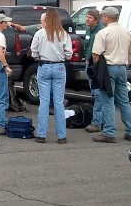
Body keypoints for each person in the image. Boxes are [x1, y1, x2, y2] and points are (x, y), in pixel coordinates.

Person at [91, 6, 131, 143]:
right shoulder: (127, 33)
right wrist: (125, 64)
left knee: (107, 100)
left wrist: (97, 70)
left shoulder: (103, 33)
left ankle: (109, 132)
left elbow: (95, 55)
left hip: (107, 68)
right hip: (122, 67)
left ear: (106, 17)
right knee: (124, 100)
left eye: (103, 16)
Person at [30, 9, 73, 144]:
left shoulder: (40, 33)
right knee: (59, 102)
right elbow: (69, 54)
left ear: (46, 20)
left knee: (44, 101)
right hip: (59, 67)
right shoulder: (63, 34)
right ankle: (61, 136)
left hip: (44, 66)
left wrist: (39, 57)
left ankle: (41, 134)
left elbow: (33, 52)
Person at [82, 9, 104, 133]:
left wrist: (94, 64)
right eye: (87, 17)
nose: (87, 19)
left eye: (90, 18)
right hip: (89, 63)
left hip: (97, 64)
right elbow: (87, 45)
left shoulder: (100, 30)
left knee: (98, 93)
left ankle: (97, 122)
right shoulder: (89, 30)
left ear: (96, 19)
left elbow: (97, 50)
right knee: (94, 93)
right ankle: (100, 120)